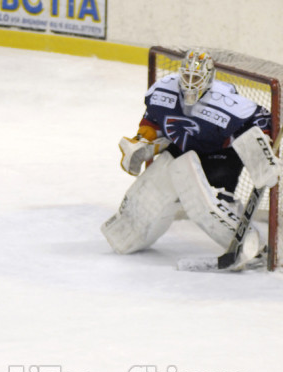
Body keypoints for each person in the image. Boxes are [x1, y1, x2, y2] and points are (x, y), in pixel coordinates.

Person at [101, 49, 279, 267]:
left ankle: (253, 246)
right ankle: (130, 231)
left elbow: (262, 120)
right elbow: (152, 120)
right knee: (150, 191)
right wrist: (141, 140)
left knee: (205, 202)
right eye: (187, 76)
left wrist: (262, 147)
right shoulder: (163, 90)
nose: (190, 83)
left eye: (197, 78)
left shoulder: (226, 101)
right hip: (182, 147)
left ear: (209, 78)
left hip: (220, 155)